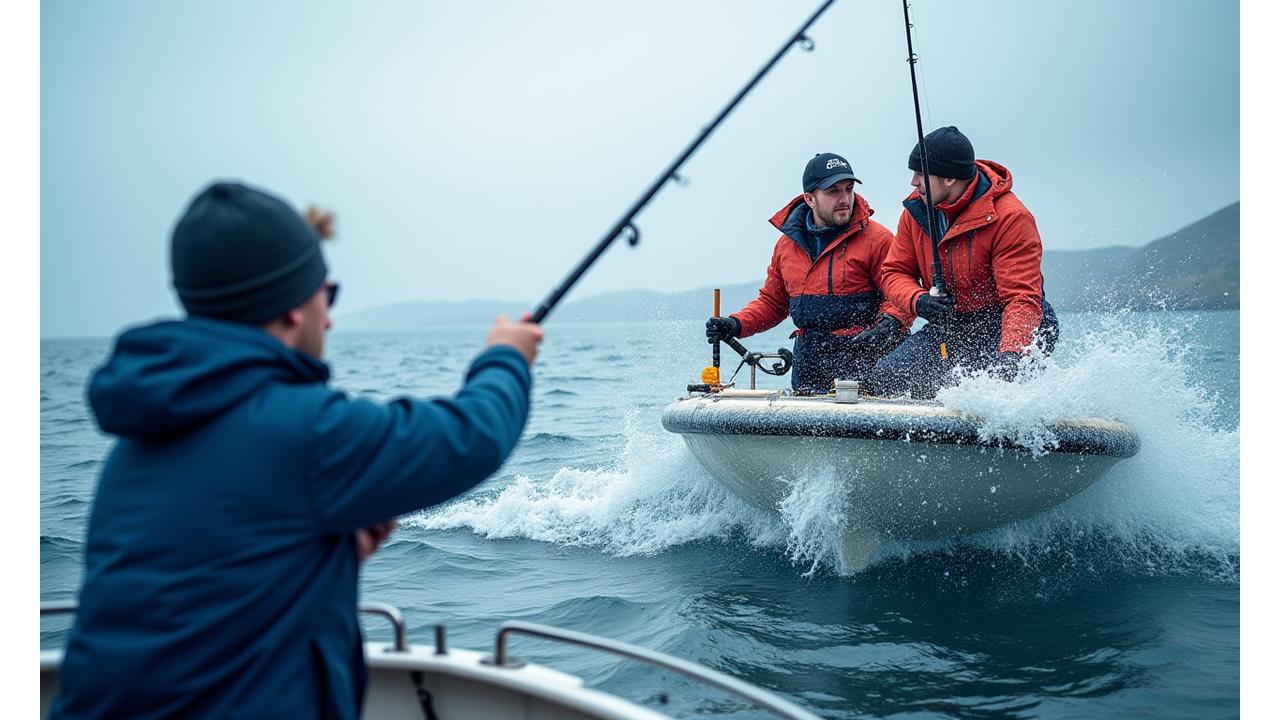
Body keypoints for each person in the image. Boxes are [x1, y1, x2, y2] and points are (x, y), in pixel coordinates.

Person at [49, 181, 544, 719]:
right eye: (326, 295)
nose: (329, 318)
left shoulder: (135, 446)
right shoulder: (302, 431)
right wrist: (506, 357)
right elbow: (469, 438)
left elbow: (199, 588)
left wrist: (317, 552)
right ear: (291, 307)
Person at [864, 126, 1059, 399]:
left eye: (921, 174)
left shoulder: (1011, 218)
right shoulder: (915, 211)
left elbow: (1021, 299)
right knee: (880, 384)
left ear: (949, 179)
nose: (913, 182)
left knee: (992, 392)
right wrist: (918, 300)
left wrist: (1012, 355)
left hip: (1010, 322)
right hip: (952, 325)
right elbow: (894, 272)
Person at [705, 152, 909, 393]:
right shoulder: (785, 246)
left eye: (849, 189)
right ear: (810, 198)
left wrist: (891, 322)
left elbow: (901, 289)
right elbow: (773, 303)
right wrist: (736, 324)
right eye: (833, 191)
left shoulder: (878, 239)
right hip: (810, 361)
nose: (844, 198)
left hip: (866, 357)